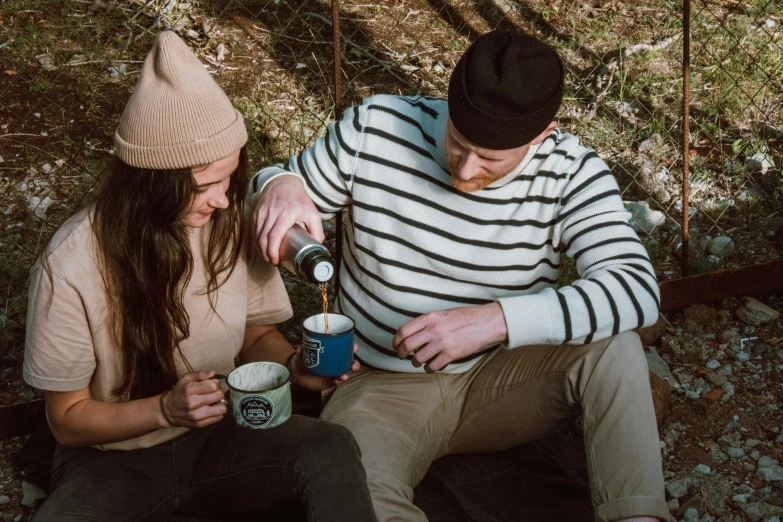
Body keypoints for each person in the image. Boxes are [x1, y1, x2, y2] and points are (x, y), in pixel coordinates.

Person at [252, 30, 671, 522]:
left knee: (615, 348)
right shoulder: (378, 126)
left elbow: (636, 289)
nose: (466, 169)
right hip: (380, 388)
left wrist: (492, 321)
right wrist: (276, 182)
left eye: (491, 159)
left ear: (541, 134)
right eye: (457, 142)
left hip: (504, 377)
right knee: (349, 492)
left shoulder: (571, 172)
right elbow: (275, 200)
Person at [23, 31, 376, 522]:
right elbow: (66, 421)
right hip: (112, 461)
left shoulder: (223, 223)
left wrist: (297, 369)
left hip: (222, 437)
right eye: (204, 186)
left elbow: (256, 336)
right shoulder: (71, 263)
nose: (225, 200)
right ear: (151, 184)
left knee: (329, 448)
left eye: (230, 179)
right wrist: (165, 410)